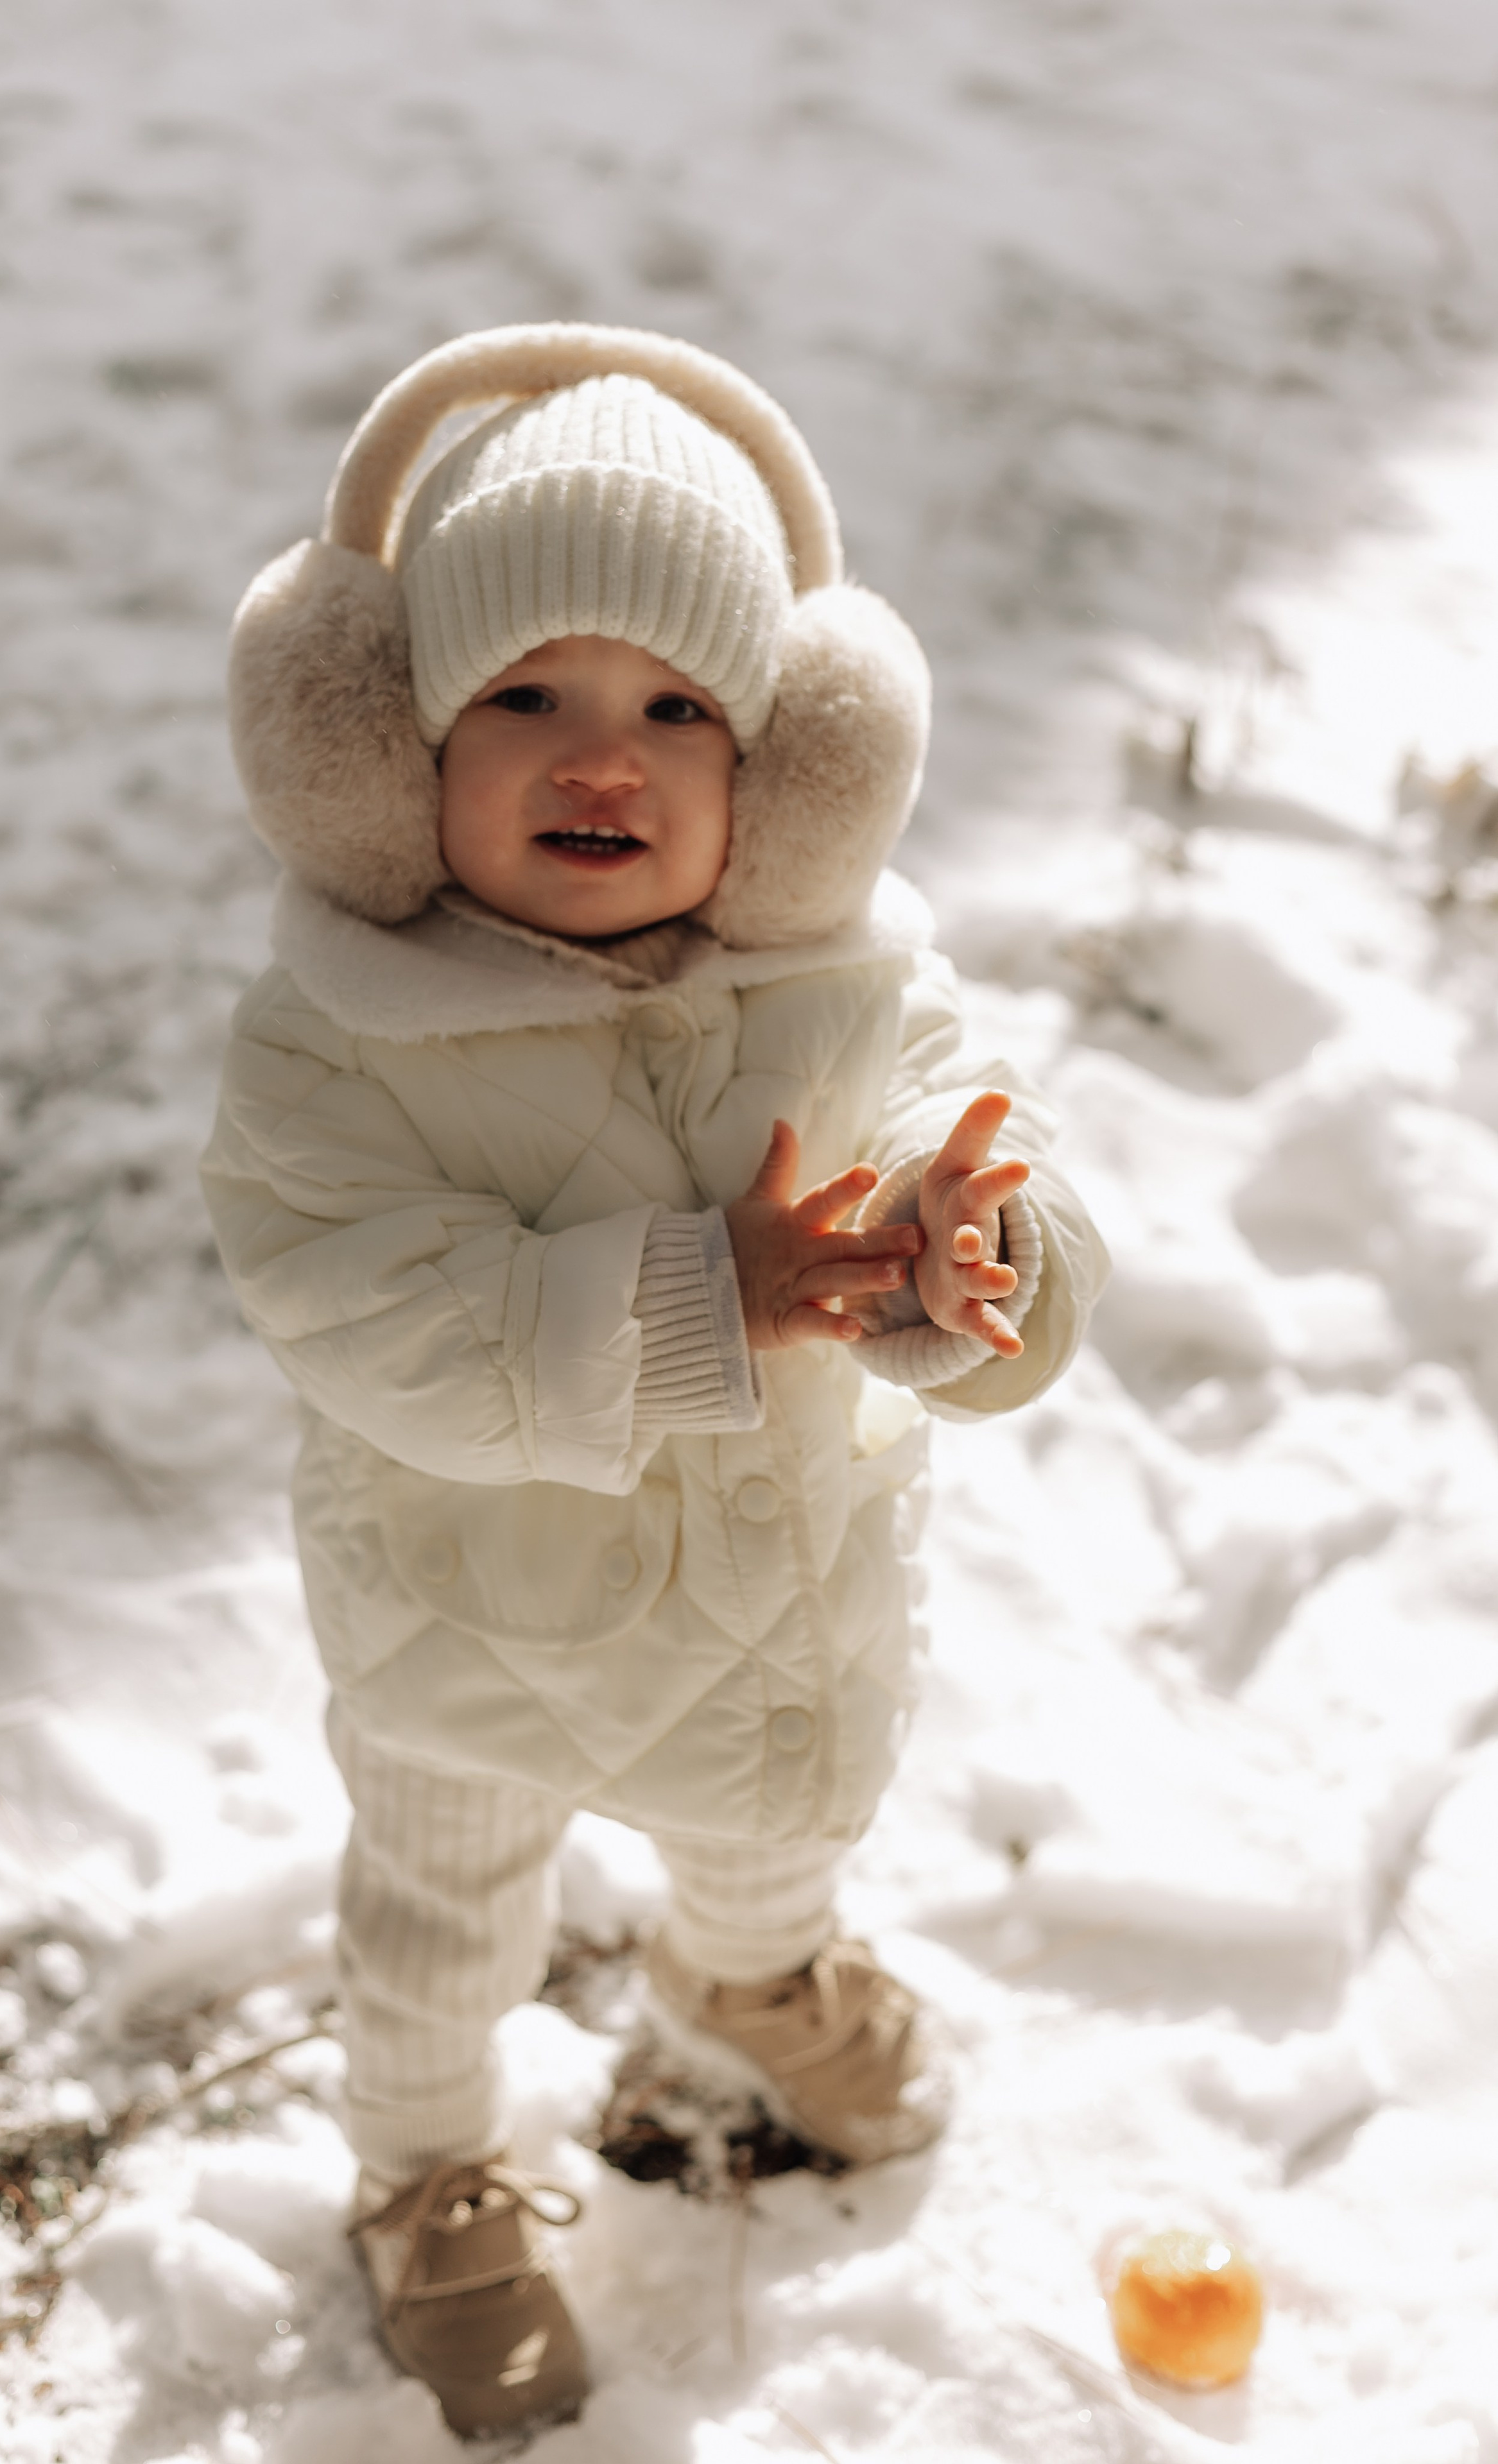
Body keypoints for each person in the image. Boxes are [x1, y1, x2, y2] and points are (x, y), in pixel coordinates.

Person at [202, 324, 1108, 2439]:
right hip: (468, 1617)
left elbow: (965, 1135)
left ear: (788, 767)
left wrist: (975, 1256)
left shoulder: (849, 979)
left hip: (769, 1604)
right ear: (386, 751)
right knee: (440, 1915)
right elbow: (363, 1307)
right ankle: (429, 2172)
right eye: (524, 697)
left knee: (770, 1823)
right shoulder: (340, 1039)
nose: (600, 759)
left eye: (676, 708)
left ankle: (750, 1971)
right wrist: (709, 1295)